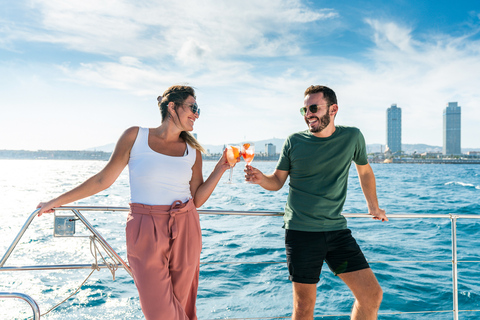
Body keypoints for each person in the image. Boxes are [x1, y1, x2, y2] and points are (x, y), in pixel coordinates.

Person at [37, 85, 235, 320]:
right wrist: (56, 200)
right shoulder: (135, 136)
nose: (197, 114)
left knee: (182, 305)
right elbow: (103, 179)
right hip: (144, 228)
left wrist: (221, 167)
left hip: (186, 226)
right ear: (172, 107)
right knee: (160, 312)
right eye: (193, 107)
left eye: (197, 109)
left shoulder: (193, 150)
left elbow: (198, 198)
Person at [245, 85, 388, 320]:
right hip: (301, 236)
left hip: (336, 236)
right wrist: (262, 179)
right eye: (304, 110)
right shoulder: (294, 142)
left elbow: (364, 171)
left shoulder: (352, 137)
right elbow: (277, 181)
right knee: (304, 307)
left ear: (333, 109)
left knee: (371, 295)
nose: (308, 114)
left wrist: (373, 206)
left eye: (313, 108)